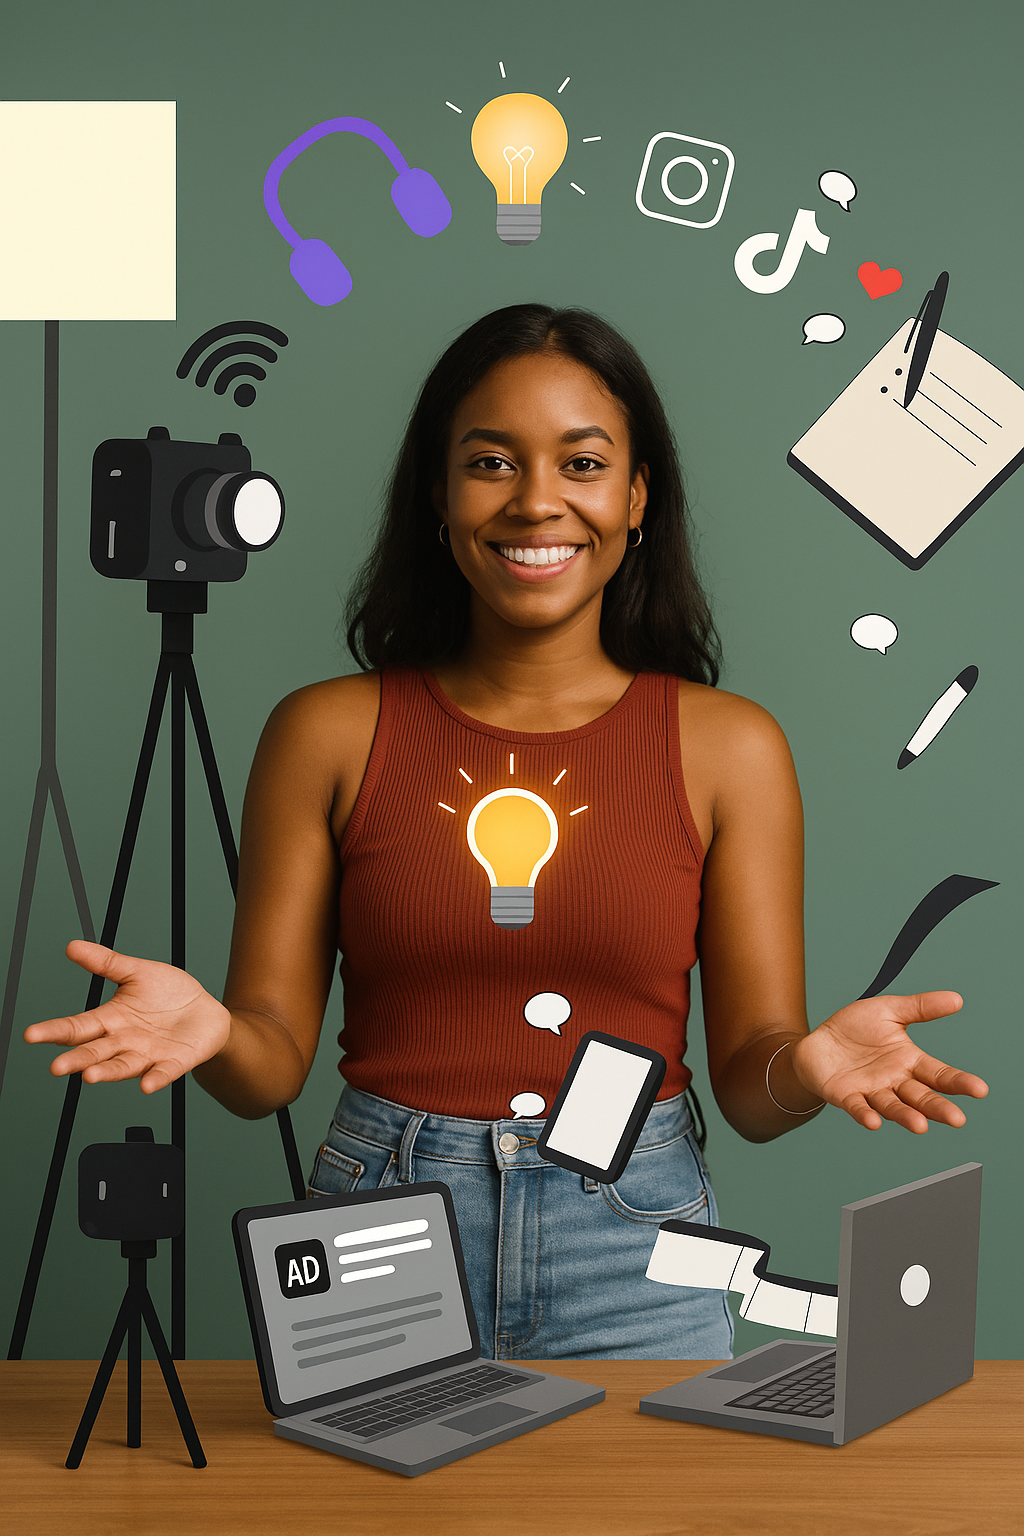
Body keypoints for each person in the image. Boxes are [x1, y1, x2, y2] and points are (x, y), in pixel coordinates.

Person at [25, 304, 988, 1361]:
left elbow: (752, 1094)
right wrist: (211, 1034)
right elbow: (271, 1065)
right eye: (491, 461)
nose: (538, 501)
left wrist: (804, 1065)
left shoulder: (729, 749)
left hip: (634, 1235)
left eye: (581, 463)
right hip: (381, 1223)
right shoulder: (327, 733)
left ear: (635, 498)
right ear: (438, 496)